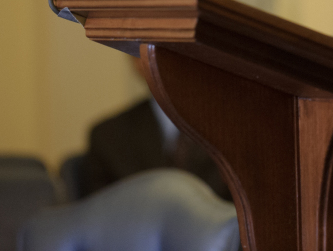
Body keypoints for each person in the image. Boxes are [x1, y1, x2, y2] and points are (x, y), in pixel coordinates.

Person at [80, 57, 230, 201]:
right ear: (136, 61)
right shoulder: (109, 136)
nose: (167, 61)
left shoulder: (234, 129)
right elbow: (101, 219)